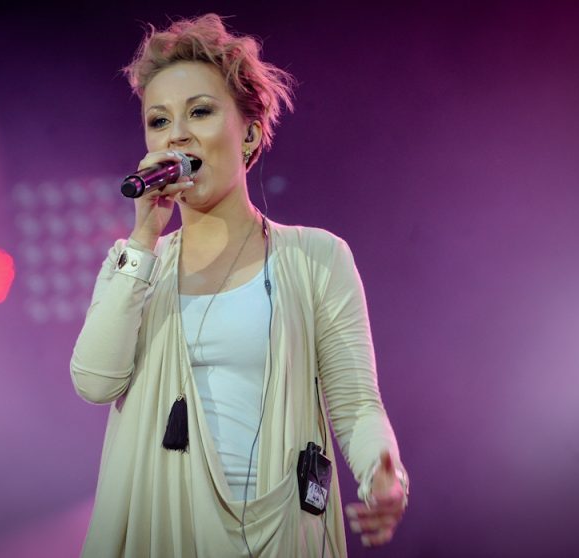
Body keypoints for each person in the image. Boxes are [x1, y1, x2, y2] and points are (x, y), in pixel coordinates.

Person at [70, 13, 408, 557]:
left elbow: (356, 404)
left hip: (278, 530)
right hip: (165, 531)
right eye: (159, 120)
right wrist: (144, 238)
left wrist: (381, 473)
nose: (176, 134)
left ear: (249, 132)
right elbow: (94, 382)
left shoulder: (316, 257)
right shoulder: (133, 263)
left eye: (200, 111)